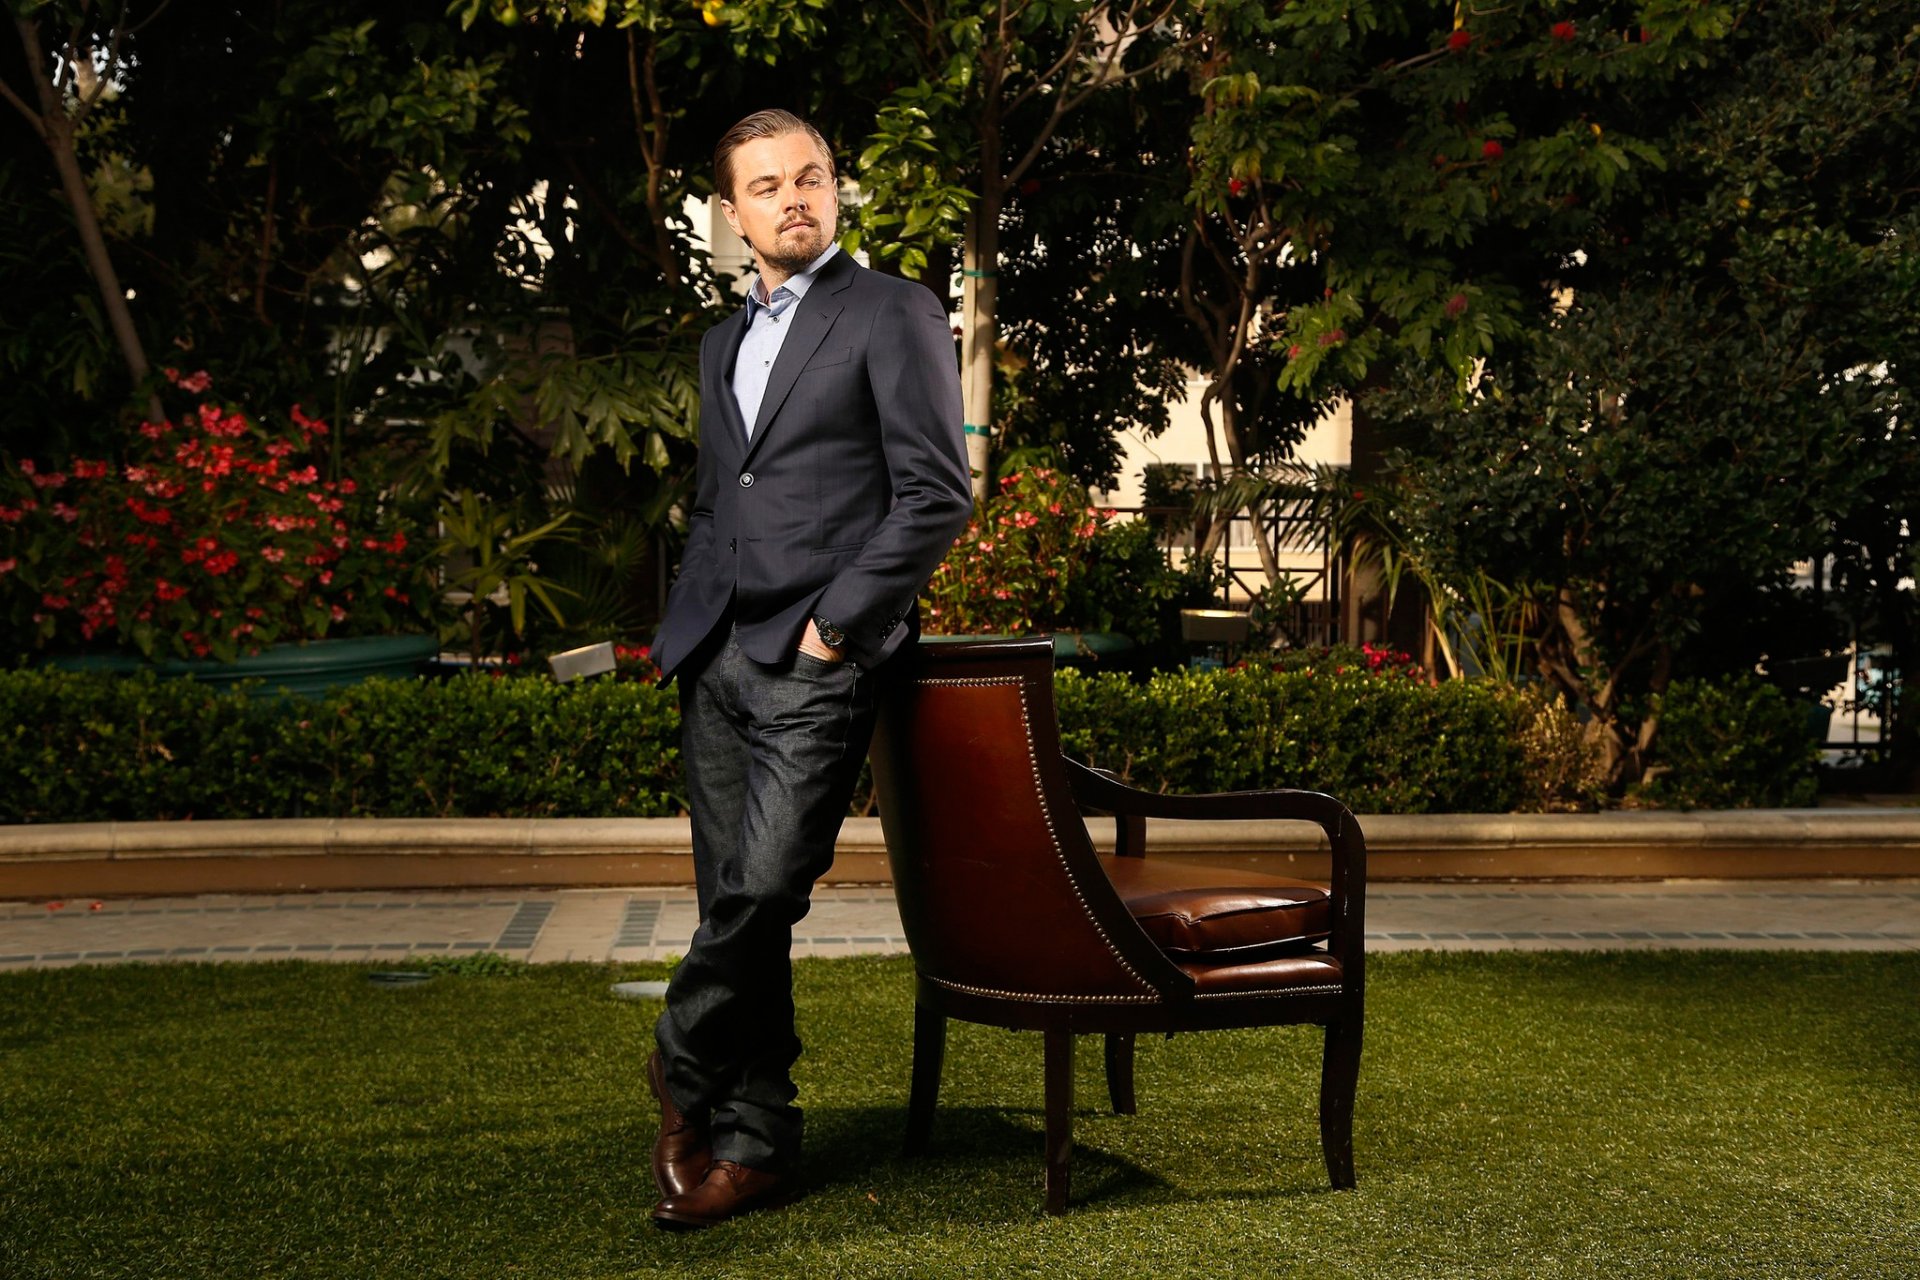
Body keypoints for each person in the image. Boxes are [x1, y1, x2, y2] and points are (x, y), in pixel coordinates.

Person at [642, 108, 972, 1230]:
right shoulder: (720, 341)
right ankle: (754, 1140)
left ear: (835, 189)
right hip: (717, 657)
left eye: (811, 177)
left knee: (766, 884)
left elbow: (937, 493)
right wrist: (686, 626)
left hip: (814, 661)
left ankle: (679, 1058)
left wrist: (834, 627)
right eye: (767, 185)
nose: (794, 197)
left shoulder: (891, 310)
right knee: (732, 903)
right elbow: (716, 498)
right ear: (733, 213)